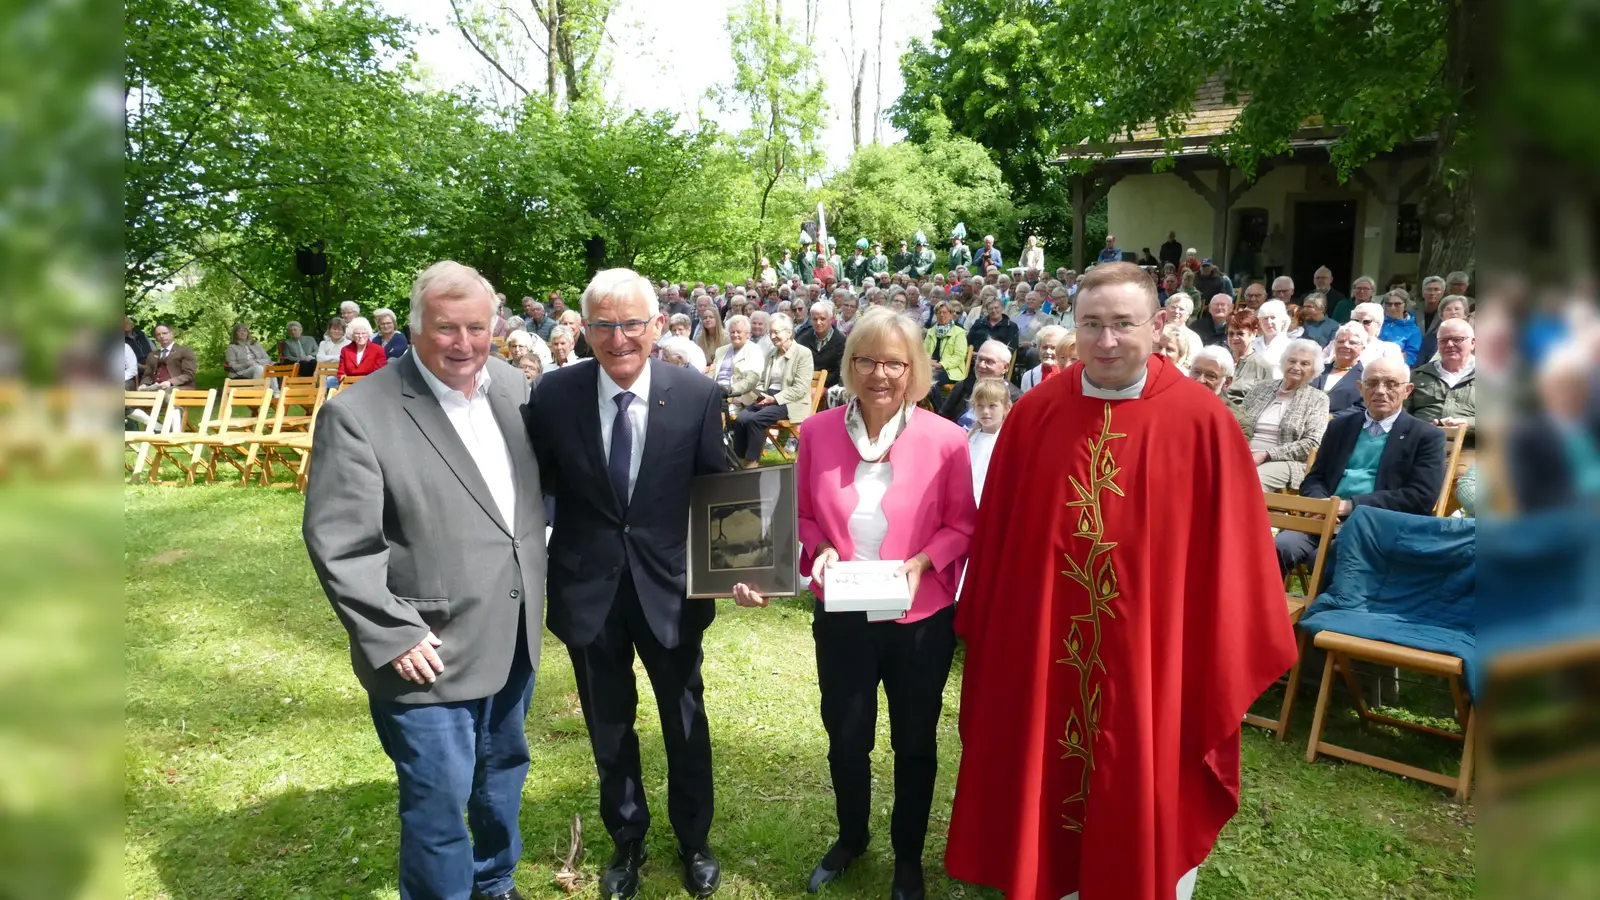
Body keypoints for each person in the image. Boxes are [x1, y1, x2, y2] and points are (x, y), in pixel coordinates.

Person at [947, 262, 1297, 900]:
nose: (1106, 341)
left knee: (1143, 785)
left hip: (1154, 663)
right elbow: (1000, 544)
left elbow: (1234, 561)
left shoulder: (1201, 421)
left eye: (1123, 324)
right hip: (1049, 654)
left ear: (1158, 325)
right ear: (1073, 329)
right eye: (1091, 325)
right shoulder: (1034, 416)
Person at [303, 260, 546, 900]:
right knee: (438, 806)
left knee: (501, 778)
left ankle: (494, 884)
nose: (463, 344)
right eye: (446, 329)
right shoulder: (360, 414)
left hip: (511, 632)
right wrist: (393, 633)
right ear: (413, 329)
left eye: (476, 327)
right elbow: (340, 544)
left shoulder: (512, 388)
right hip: (425, 651)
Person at [729, 307, 975, 900]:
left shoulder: (945, 439)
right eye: (866, 359)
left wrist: (922, 562)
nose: (880, 373)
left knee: (915, 741)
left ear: (915, 370)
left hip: (919, 618)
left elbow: (964, 526)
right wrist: (820, 549)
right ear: (850, 364)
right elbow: (805, 516)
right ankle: (852, 837)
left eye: (895, 362)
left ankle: (908, 858)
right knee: (846, 734)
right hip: (841, 613)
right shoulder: (815, 433)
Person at [523, 268, 728, 900]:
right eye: (604, 325)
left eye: (631, 323)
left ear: (657, 325)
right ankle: (626, 837)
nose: (618, 338)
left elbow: (717, 494)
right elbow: (542, 486)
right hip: (589, 589)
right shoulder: (552, 396)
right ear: (584, 329)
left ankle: (694, 838)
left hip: (670, 589)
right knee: (608, 725)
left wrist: (739, 569)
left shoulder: (695, 395)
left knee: (683, 719)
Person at [1274, 356, 1446, 578]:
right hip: (1324, 518)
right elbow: (1315, 478)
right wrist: (1321, 505)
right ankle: (1267, 612)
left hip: (1377, 525)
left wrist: (1349, 506)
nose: (1381, 391)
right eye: (1372, 383)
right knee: (1279, 547)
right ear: (1360, 388)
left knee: (1326, 559)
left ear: (1408, 390)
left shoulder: (1427, 436)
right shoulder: (1339, 427)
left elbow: (1421, 497)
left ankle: (1321, 612)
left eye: (1392, 384)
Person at [1234, 339, 1330, 490]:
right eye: (1292, 361)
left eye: (1304, 364)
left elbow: (1312, 443)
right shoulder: (1261, 388)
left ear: (1314, 370)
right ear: (1283, 363)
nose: (1296, 367)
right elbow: (1236, 422)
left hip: (1284, 462)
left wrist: (1267, 454)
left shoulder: (1317, 399)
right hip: (1241, 454)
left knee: (1249, 482)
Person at [729, 313, 814, 468]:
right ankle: (738, 463)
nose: (773, 336)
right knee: (741, 419)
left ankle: (751, 464)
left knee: (756, 420)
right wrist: (760, 395)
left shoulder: (803, 353)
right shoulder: (771, 354)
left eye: (776, 332)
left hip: (790, 401)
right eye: (770, 333)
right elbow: (762, 382)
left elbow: (800, 389)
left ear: (789, 332)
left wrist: (774, 399)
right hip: (768, 398)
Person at [1405, 319, 1476, 436]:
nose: (1449, 345)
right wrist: (1419, 427)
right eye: (1443, 341)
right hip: (1423, 445)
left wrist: (1467, 423)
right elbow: (1401, 413)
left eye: (1457, 339)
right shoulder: (1418, 376)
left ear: (1473, 342)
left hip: (1471, 448)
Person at [940, 340, 1020, 425]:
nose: (981, 365)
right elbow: (942, 419)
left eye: (989, 361)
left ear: (1005, 367)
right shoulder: (963, 386)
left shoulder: (1015, 398)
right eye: (979, 359)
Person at [968, 378, 1011, 504]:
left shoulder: (1008, 440)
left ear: (1006, 408)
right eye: (980, 405)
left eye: (992, 406)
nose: (985, 411)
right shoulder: (969, 438)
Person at [1312, 322, 1370, 415]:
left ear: (1363, 348)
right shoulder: (1317, 370)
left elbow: (1362, 407)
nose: (1345, 345)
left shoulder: (1366, 378)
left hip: (1339, 426)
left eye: (1352, 342)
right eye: (1341, 341)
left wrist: (1330, 418)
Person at [709, 315, 765, 397]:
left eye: (739, 332)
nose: (735, 335)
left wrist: (731, 390)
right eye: (732, 332)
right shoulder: (720, 350)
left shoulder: (754, 350)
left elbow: (753, 379)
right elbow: (712, 373)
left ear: (748, 334)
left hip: (736, 395)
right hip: (715, 391)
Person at [1226, 309, 1275, 400]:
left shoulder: (1263, 367)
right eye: (1231, 334)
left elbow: (1265, 401)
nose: (1234, 338)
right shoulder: (1220, 360)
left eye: (1240, 334)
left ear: (1253, 334)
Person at [925, 299, 970, 398]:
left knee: (931, 379)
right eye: (939, 312)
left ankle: (938, 409)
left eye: (944, 312)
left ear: (951, 314)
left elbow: (959, 356)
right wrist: (927, 362)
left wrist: (940, 365)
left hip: (951, 370)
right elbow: (923, 352)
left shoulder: (959, 332)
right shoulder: (930, 331)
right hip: (930, 367)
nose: (941, 315)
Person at [136, 323, 197, 394]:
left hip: (179, 387)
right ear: (156, 337)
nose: (161, 336)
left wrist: (170, 382)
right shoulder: (152, 355)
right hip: (155, 388)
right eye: (158, 334)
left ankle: (171, 404)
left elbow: (189, 374)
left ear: (172, 334)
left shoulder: (184, 351)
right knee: (137, 394)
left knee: (166, 393)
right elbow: (147, 375)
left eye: (164, 333)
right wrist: (144, 384)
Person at [799, 300, 845, 387]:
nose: (818, 323)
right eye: (815, 319)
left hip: (829, 386)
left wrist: (819, 384)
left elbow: (838, 370)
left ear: (831, 319)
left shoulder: (841, 341)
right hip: (804, 383)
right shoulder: (803, 338)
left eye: (822, 319)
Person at [1417, 294, 1470, 363]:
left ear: (1465, 313)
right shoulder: (1430, 339)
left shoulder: (1475, 338)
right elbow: (1420, 365)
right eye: (1448, 309)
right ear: (1442, 315)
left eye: (1457, 309)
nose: (1453, 312)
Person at [338, 317, 390, 383]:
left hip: (371, 385)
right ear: (352, 335)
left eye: (363, 333)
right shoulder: (345, 350)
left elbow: (380, 373)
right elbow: (341, 372)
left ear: (368, 334)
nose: (360, 336)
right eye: (357, 333)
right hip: (349, 386)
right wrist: (343, 378)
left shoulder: (378, 350)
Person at [1019, 324, 1068, 392]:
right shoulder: (1028, 376)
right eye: (1044, 347)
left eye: (1053, 348)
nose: (1048, 351)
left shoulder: (1072, 375)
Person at [1378, 289, 1422, 365]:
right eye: (1389, 304)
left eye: (1397, 304)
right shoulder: (1377, 322)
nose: (1392, 308)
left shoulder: (1414, 330)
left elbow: (1411, 355)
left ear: (1405, 305)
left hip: (1396, 368)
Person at [1251, 300, 1293, 375]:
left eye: (1273, 318)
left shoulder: (1290, 346)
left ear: (1282, 321)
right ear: (1259, 322)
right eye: (1265, 318)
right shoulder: (1252, 344)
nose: (1269, 322)